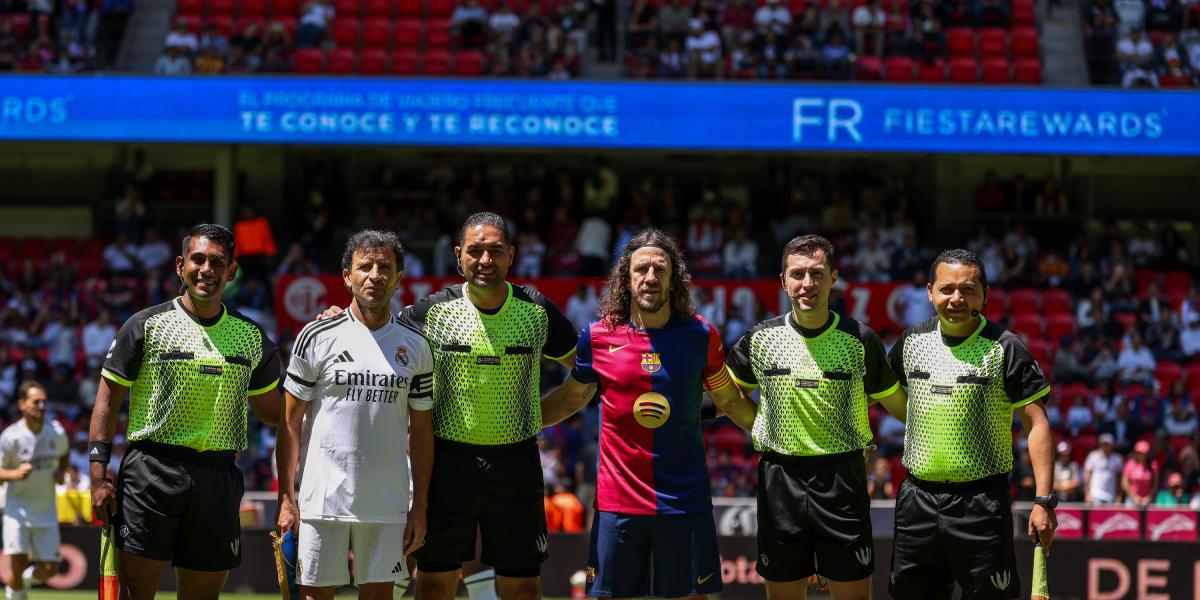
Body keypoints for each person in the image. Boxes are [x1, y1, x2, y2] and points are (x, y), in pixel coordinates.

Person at [326, 213, 577, 600]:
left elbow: (585, 376)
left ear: (511, 255)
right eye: (475, 251)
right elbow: (377, 334)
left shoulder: (537, 310)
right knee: (434, 584)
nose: (485, 260)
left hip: (517, 465)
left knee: (524, 587)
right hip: (447, 464)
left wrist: (535, 415)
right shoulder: (432, 311)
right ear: (458, 255)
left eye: (495, 250)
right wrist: (340, 320)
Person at [540, 228, 742, 599]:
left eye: (660, 269)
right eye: (641, 269)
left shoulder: (702, 336)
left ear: (674, 278)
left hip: (684, 500)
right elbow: (571, 398)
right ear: (626, 277)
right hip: (618, 501)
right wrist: (519, 422)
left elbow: (729, 400)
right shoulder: (597, 336)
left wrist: (773, 430)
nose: (650, 277)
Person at [88, 223, 282, 600]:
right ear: (181, 266)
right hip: (150, 471)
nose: (207, 269)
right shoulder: (145, 325)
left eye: (217, 262)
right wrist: (98, 478)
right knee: (135, 595)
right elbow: (106, 403)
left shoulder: (251, 337)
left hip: (218, 477)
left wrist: (319, 367)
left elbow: (274, 413)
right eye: (198, 260)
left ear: (232, 271)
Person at [723, 234, 906, 600]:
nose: (807, 283)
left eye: (817, 273)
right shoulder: (760, 338)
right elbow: (726, 397)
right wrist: (761, 424)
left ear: (833, 278)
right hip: (780, 479)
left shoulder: (860, 339)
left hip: (843, 479)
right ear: (783, 280)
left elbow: (900, 407)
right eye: (798, 274)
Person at [887, 249, 1056, 599]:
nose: (956, 299)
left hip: (982, 504)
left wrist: (1044, 500)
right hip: (917, 502)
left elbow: (1036, 424)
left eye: (967, 289)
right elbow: (880, 397)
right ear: (930, 292)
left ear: (985, 294)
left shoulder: (1006, 347)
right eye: (946, 289)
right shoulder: (910, 342)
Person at [276, 230, 435, 599]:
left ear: (398, 277)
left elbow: (422, 432)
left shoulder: (415, 345)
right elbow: (289, 422)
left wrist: (420, 505)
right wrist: (286, 496)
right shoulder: (316, 335)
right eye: (365, 266)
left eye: (385, 267)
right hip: (322, 500)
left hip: (387, 502)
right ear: (347, 276)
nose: (375, 275)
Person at [0, 381, 68, 600]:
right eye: (36, 402)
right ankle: (17, 592)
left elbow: (64, 453)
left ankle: (24, 581)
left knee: (51, 569)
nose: (41, 406)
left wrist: (61, 471)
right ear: (22, 404)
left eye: (44, 402)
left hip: (46, 510)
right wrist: (15, 473)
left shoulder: (56, 432)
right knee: (17, 565)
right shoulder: (10, 437)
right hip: (17, 511)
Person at [1083, 433, 1123, 504]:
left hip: (1111, 495)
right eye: (1103, 444)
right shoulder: (1093, 456)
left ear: (1112, 445)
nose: (1105, 446)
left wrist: (1119, 496)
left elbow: (1119, 479)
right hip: (1095, 494)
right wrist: (1087, 493)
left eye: (1107, 444)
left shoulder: (1117, 458)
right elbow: (1087, 476)